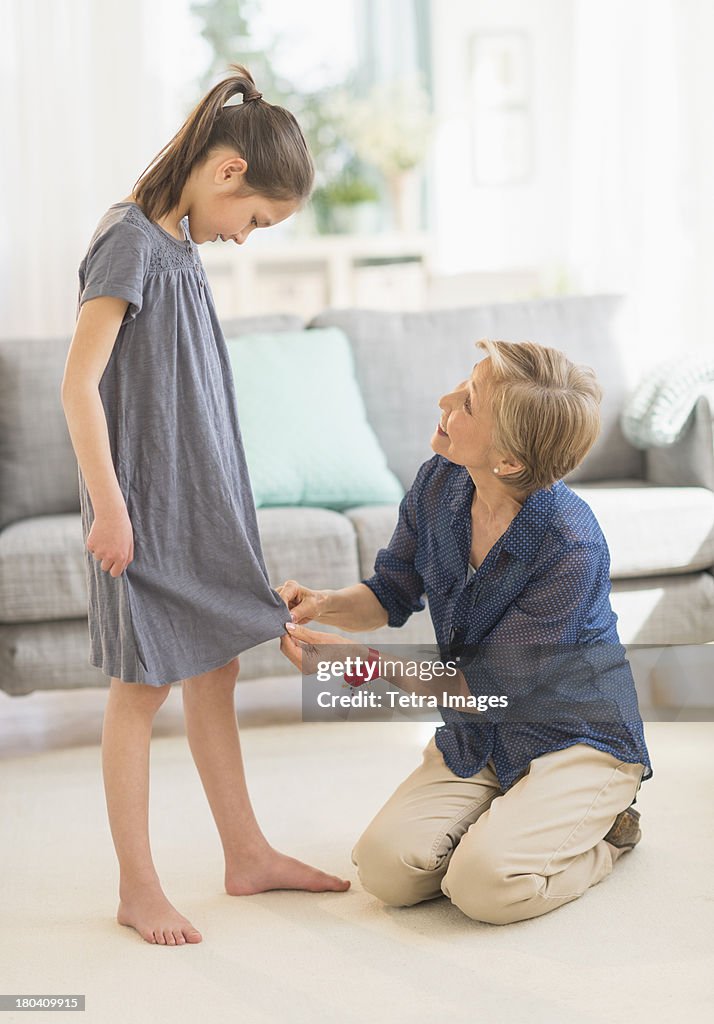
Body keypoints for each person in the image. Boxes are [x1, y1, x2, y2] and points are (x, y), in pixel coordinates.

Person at [61, 64, 349, 948]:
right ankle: (137, 886)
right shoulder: (128, 241)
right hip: (142, 510)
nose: (247, 237)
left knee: (215, 668)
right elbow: (79, 386)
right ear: (229, 172)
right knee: (140, 688)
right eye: (256, 220)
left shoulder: (179, 243)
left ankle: (246, 852)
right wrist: (110, 509)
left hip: (200, 502)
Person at [279, 339, 653, 925]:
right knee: (387, 871)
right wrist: (322, 604)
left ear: (508, 462)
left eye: (469, 402)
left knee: (485, 888)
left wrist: (359, 665)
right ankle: (514, 815)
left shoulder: (570, 546)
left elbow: (482, 685)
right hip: (482, 730)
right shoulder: (440, 482)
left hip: (576, 734)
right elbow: (391, 590)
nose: (445, 400)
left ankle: (607, 836)